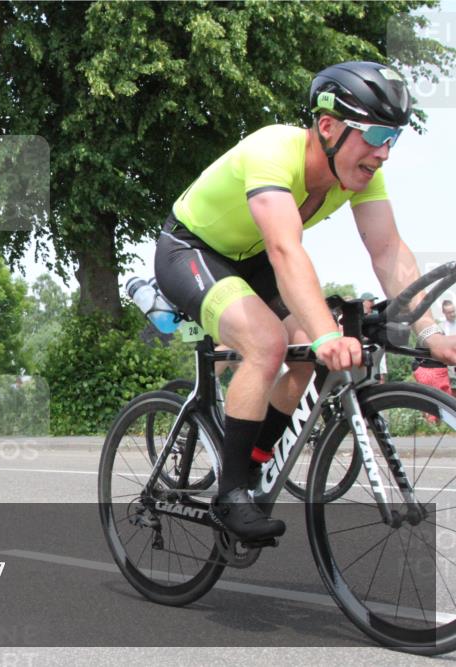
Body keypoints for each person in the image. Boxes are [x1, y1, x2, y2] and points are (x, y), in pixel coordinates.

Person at [154, 61, 456, 542]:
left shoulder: (360, 173)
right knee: (266, 342)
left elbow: (388, 251)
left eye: (393, 138)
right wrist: (326, 333)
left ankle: (254, 462)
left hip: (254, 259)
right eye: (376, 134)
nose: (383, 152)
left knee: (308, 356)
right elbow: (285, 250)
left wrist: (431, 333)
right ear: (329, 126)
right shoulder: (274, 149)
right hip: (191, 250)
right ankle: (230, 494)